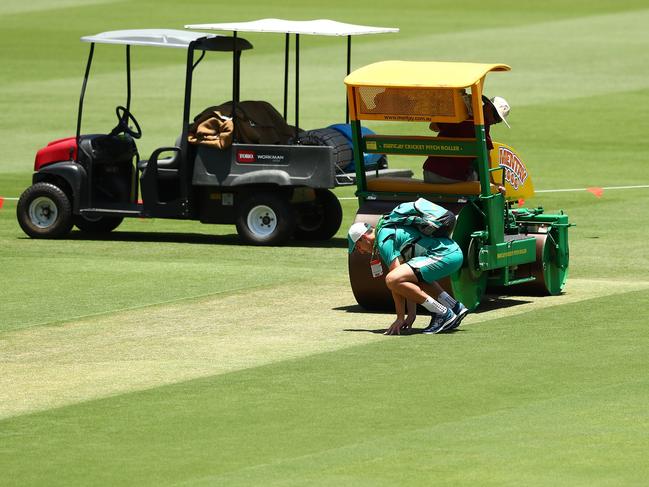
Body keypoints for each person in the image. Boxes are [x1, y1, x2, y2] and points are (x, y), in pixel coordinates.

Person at [348, 215, 469, 335]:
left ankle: (442, 313)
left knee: (392, 279)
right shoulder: (385, 232)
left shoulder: (383, 240)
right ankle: (454, 307)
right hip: (452, 253)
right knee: (413, 276)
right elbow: (407, 282)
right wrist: (411, 315)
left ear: (363, 237)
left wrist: (400, 318)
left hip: (445, 255)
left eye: (358, 247)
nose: (361, 251)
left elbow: (395, 281)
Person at [423, 95, 511, 183]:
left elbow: (433, 127)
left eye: (498, 120)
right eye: (496, 116)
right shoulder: (482, 124)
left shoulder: (457, 114)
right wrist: (492, 183)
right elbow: (485, 157)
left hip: (429, 173)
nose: (494, 122)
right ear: (487, 106)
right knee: (475, 174)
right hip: (453, 178)